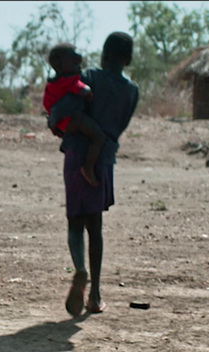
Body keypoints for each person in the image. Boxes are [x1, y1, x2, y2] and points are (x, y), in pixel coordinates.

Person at [46, 32, 139, 317]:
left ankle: (80, 269)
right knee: (95, 226)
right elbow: (120, 125)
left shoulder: (89, 78)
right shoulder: (132, 90)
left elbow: (68, 106)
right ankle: (95, 294)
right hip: (104, 158)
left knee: (75, 222)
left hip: (76, 152)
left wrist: (54, 120)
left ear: (105, 53)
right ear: (128, 58)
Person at [41, 43, 107, 187]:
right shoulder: (70, 80)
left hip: (61, 123)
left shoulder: (51, 84)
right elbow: (83, 90)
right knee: (98, 137)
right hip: (74, 120)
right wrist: (88, 91)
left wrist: (54, 119)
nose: (78, 66)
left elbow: (46, 103)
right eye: (74, 62)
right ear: (60, 66)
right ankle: (88, 167)